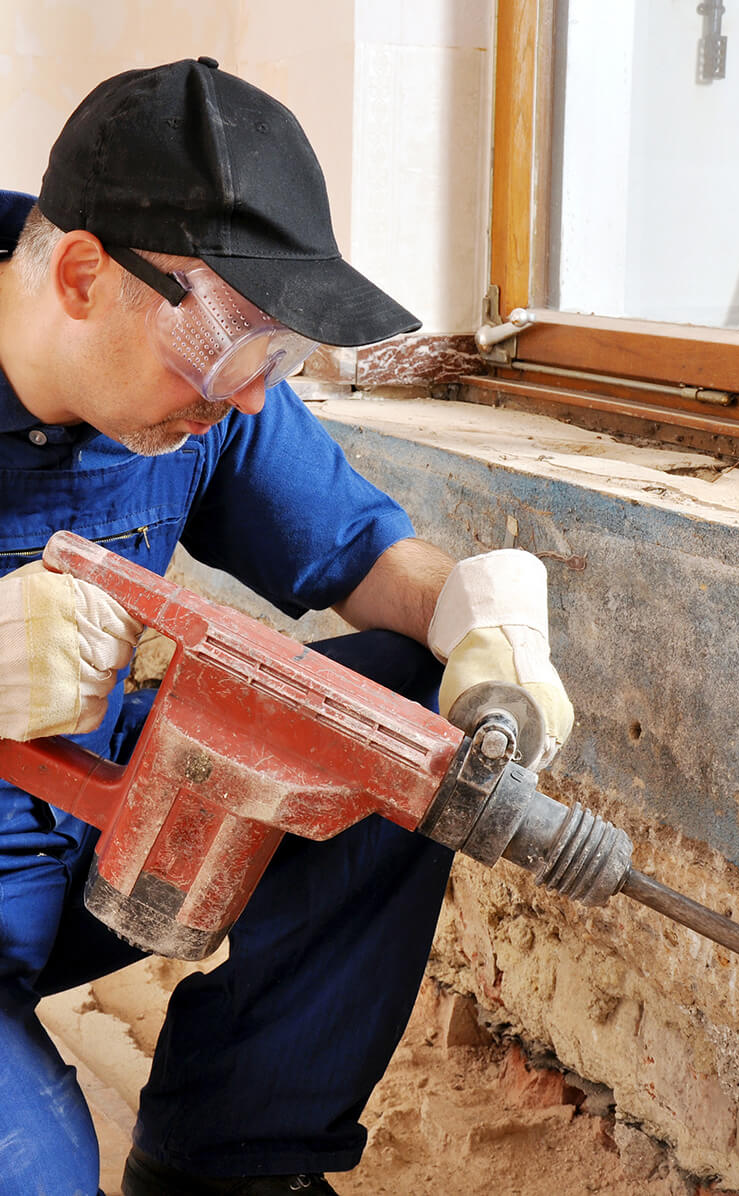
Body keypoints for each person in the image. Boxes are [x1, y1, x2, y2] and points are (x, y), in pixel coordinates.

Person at [0, 58, 573, 1196]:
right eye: (227, 346)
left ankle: (234, 1155)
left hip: (101, 849)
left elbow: (370, 560)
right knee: (40, 1170)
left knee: (401, 704)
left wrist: (482, 618)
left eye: (273, 353)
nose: (252, 391)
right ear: (80, 274)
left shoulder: (199, 400)